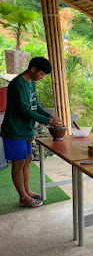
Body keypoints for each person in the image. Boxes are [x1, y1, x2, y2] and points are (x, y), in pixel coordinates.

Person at [1, 57, 62, 208]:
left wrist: (49, 116)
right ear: (33, 69)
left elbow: (34, 105)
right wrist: (47, 121)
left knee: (28, 158)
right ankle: (23, 197)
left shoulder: (31, 83)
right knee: (18, 162)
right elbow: (25, 110)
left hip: (26, 130)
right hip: (15, 131)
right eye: (41, 74)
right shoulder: (17, 85)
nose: (42, 78)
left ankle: (27, 191)